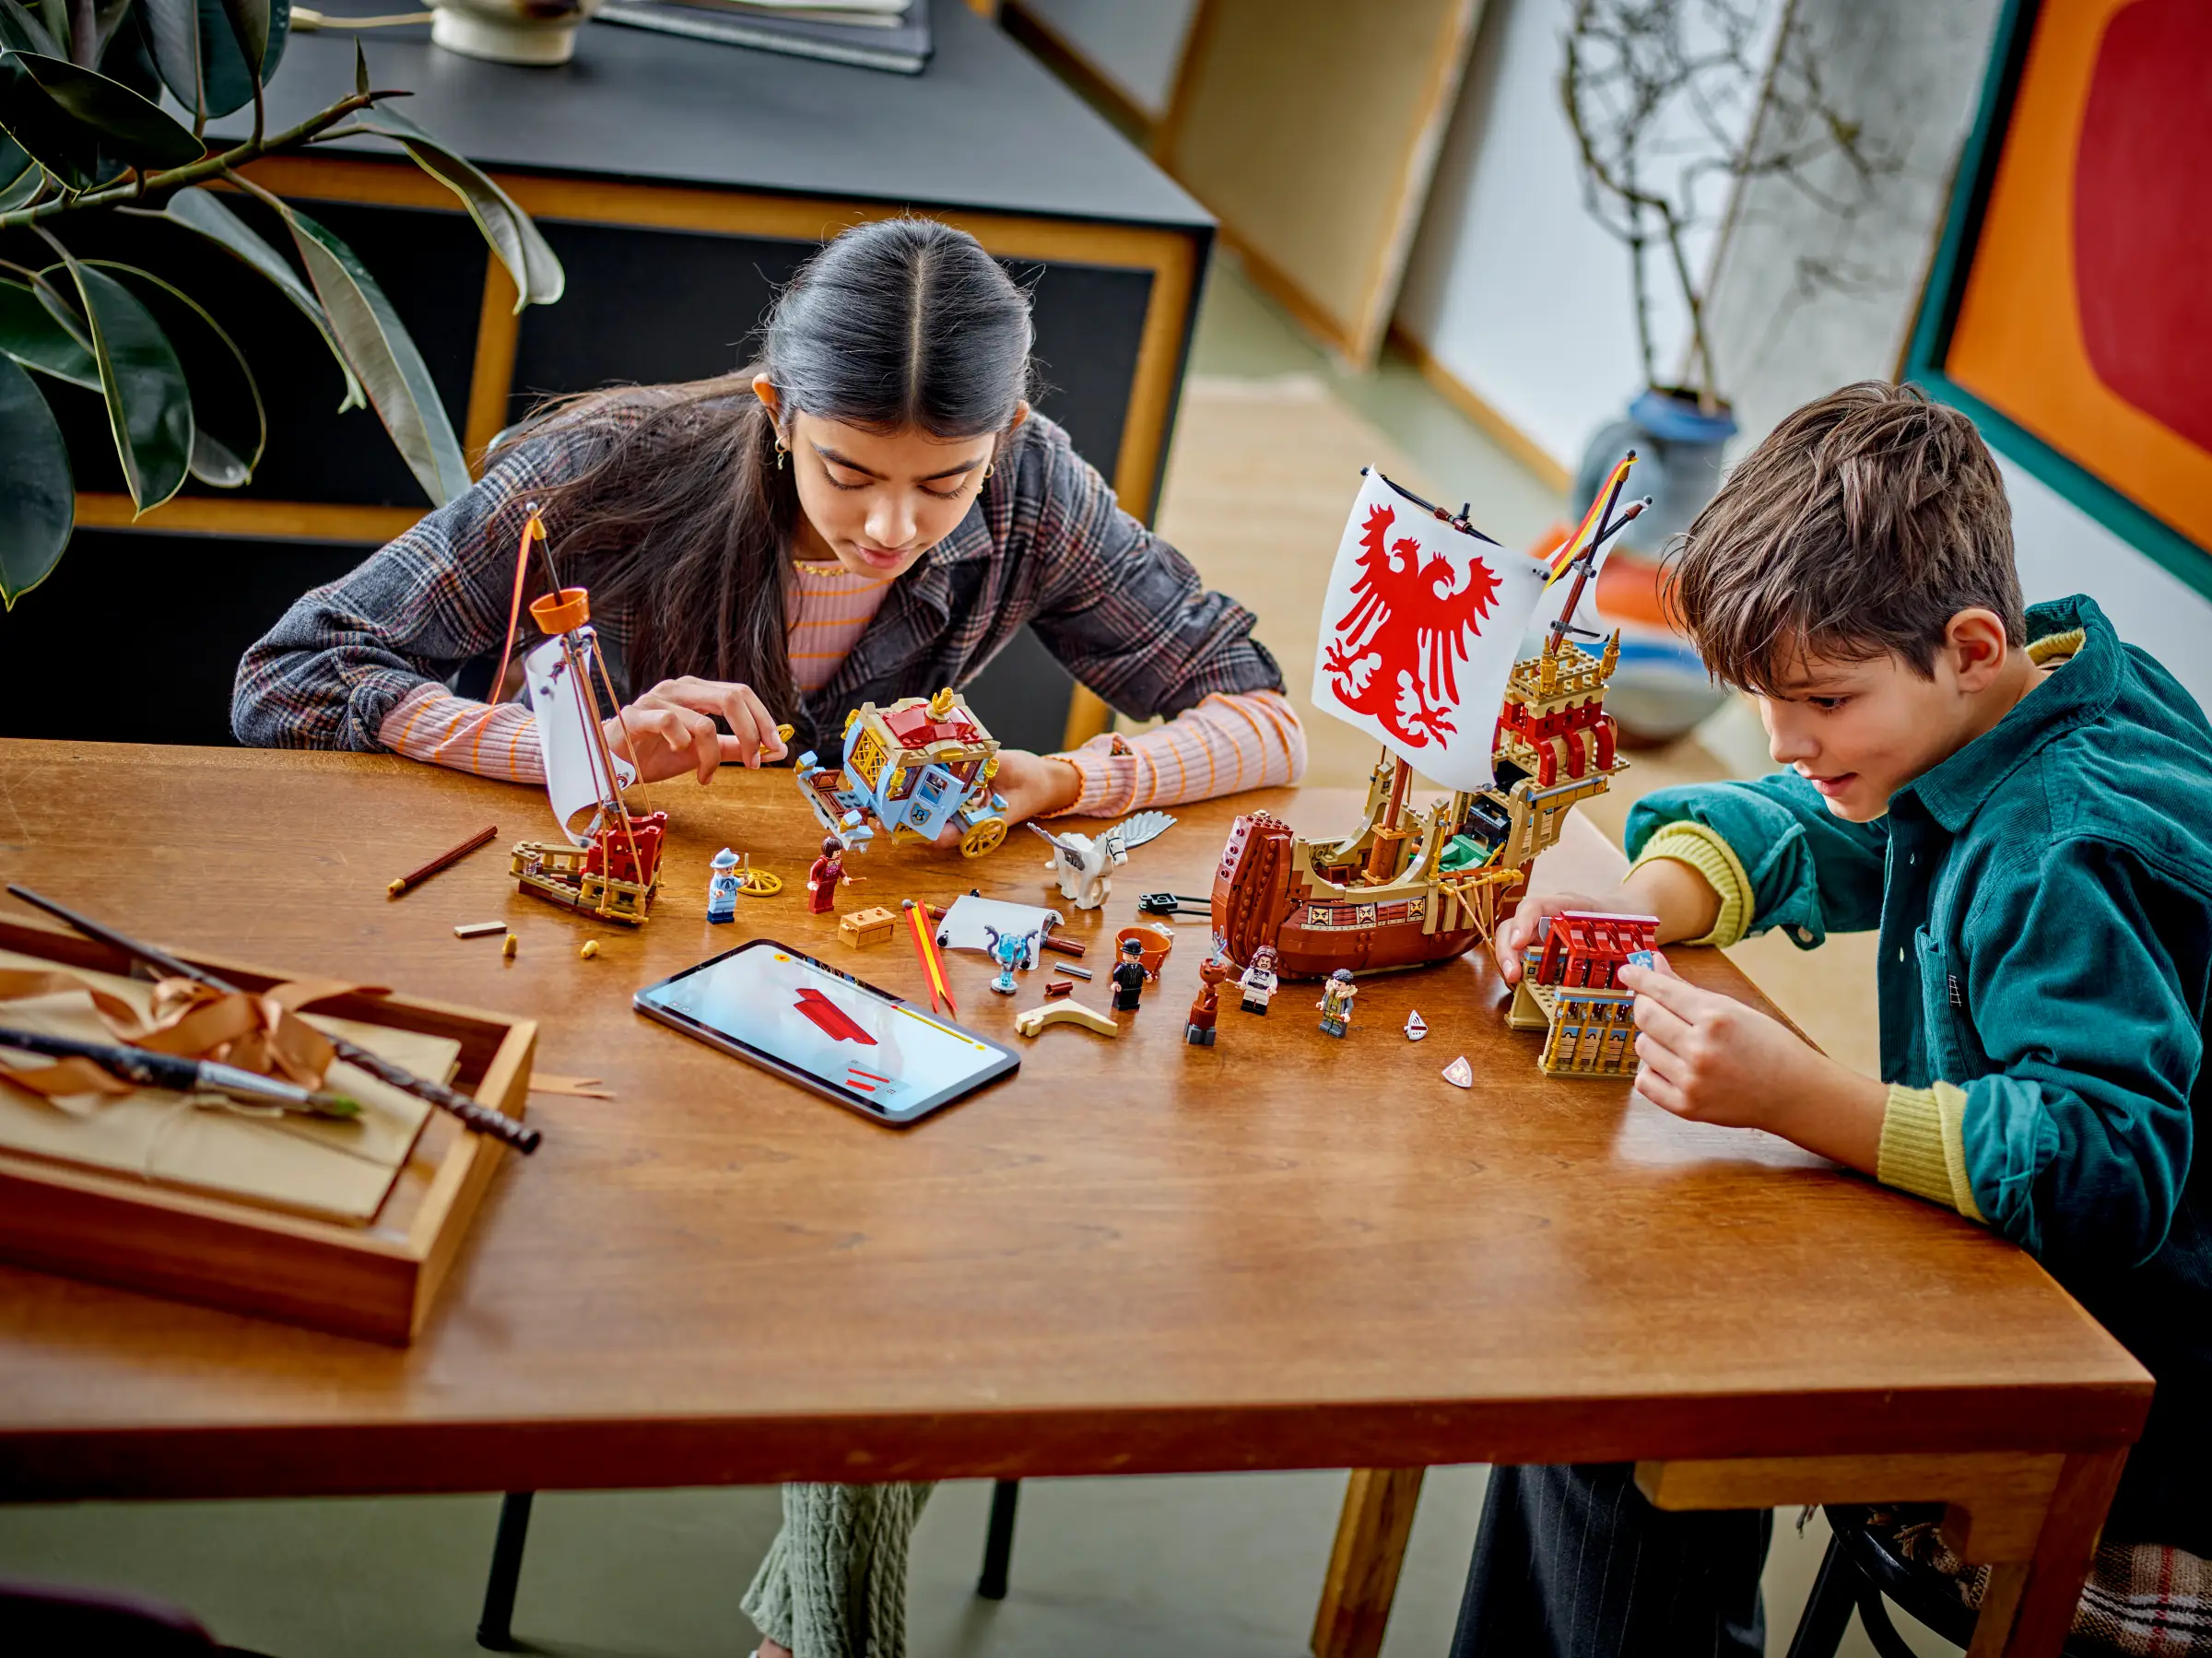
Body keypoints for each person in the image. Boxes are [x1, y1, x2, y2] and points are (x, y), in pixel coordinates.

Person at [232, 216, 1306, 1658]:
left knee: (919, 1276)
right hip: (600, 1008)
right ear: (775, 406)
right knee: (898, 1288)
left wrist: (1064, 779)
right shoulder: (599, 469)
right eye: (849, 470)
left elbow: (1259, 710)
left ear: (1014, 430)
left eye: (947, 485)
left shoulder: (1039, 492)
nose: (889, 527)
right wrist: (579, 748)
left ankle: (805, 1636)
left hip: (857, 986)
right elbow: (293, 675)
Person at [1452, 382, 2212, 1656]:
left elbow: (2102, 1168)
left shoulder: (2064, 846)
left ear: (1970, 646)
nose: (1788, 737)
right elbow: (1823, 814)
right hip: (2048, 1310)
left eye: (1825, 701)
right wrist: (1649, 898)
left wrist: (1800, 1099)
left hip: (2137, 1437)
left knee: (1605, 1379)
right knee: (1592, 1359)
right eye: (1764, 699)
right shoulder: (2032, 696)